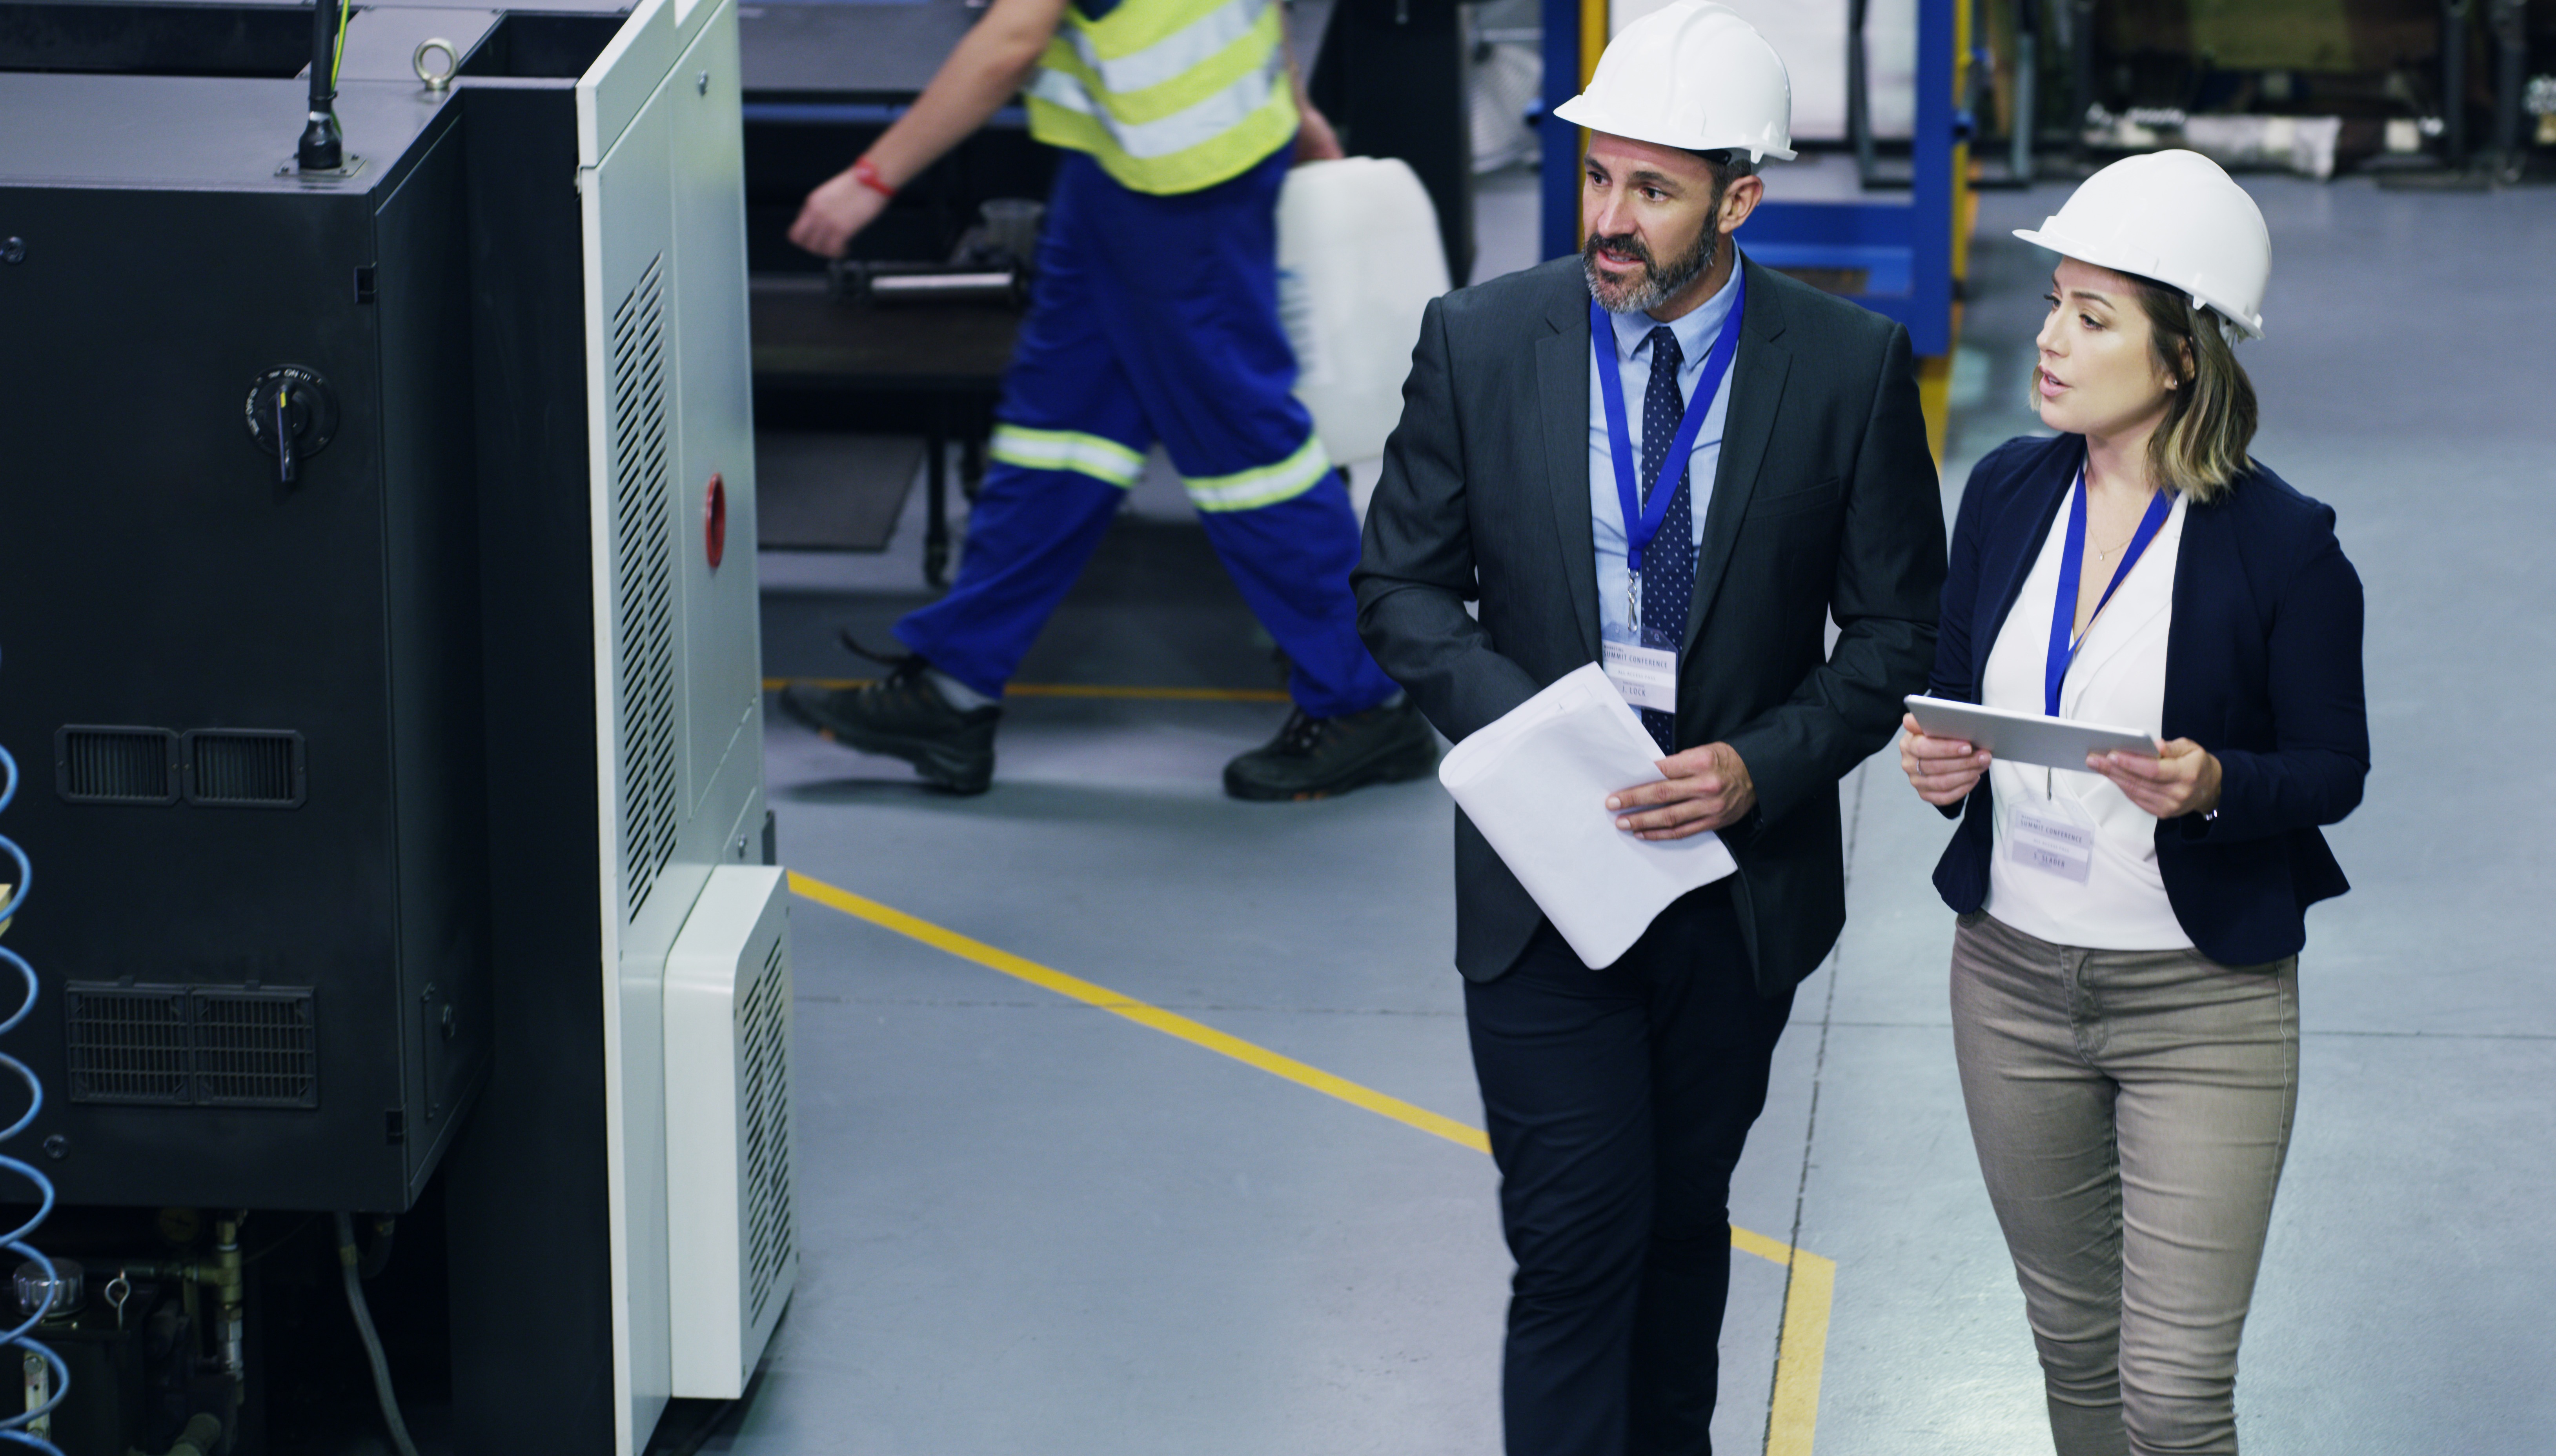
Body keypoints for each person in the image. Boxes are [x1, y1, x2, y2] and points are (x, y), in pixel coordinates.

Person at [1350, 4, 1942, 1450]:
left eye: (1653, 190)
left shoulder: (1848, 367)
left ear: (1737, 200)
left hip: (1733, 891)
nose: (1609, 221)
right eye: (1598, 178)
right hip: (1545, 882)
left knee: (1684, 1231)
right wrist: (1551, 733)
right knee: (1572, 1248)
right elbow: (1400, 590)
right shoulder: (1483, 341)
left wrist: (1758, 768)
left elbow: (1894, 636)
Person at [1895, 151, 2368, 1456]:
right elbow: (1951, 689)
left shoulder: (2286, 544)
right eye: (2053, 302)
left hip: (2198, 1000)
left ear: (2181, 360)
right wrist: (1941, 766)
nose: (2046, 340)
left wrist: (2215, 787)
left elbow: (2335, 769)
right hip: (2008, 977)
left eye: (2090, 318)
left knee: (2172, 1395)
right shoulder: (2004, 489)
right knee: (2075, 1349)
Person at [778, 0, 1437, 799]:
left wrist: (871, 178)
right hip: (1134, 158)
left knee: (1246, 449)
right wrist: (1294, 106)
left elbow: (1011, 40)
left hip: (1178, 178)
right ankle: (953, 688)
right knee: (1056, 433)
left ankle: (1365, 701)